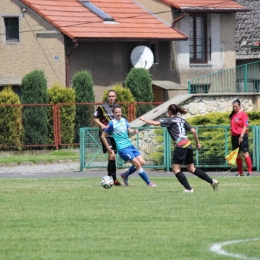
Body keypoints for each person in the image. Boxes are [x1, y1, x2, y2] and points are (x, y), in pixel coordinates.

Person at [140, 104, 219, 193]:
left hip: (180, 146)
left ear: (169, 111)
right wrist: (197, 143)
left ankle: (189, 189)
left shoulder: (169, 120)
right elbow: (194, 131)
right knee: (192, 169)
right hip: (188, 144)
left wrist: (144, 119)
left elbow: (155, 123)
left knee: (176, 169)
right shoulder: (182, 120)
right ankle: (212, 182)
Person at [101, 104, 157, 187]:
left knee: (142, 162)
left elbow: (129, 131)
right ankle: (148, 182)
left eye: (119, 112)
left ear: (121, 112)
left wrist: (133, 131)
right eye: (116, 112)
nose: (118, 113)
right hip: (122, 148)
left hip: (130, 146)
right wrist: (108, 147)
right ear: (113, 113)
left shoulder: (124, 120)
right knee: (137, 164)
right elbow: (103, 136)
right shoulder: (112, 123)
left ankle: (125, 175)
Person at [93, 90, 122, 186]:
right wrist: (101, 125)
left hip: (115, 135)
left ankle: (110, 179)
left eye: (113, 96)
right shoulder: (102, 107)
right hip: (105, 135)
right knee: (112, 155)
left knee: (111, 157)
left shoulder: (117, 108)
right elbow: (94, 118)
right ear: (107, 97)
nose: (111, 98)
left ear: (115, 97)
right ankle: (114, 179)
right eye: (110, 96)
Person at [229, 99, 252, 176]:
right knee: (237, 154)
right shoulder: (232, 115)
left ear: (239, 106)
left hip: (242, 136)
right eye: (233, 106)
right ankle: (240, 172)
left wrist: (241, 136)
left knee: (245, 153)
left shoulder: (243, 114)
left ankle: (250, 172)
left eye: (236, 106)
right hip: (234, 137)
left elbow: (245, 126)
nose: (234, 108)